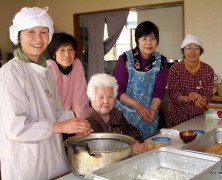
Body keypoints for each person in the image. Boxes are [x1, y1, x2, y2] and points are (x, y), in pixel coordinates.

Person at [0, 7, 92, 180]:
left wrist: (77, 121)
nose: (38, 38)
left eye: (43, 32)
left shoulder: (46, 71)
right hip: (26, 162)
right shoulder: (10, 73)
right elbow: (17, 128)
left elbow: (56, 111)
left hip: (52, 157)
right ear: (18, 36)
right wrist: (62, 127)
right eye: (31, 32)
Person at [113, 21, 168, 139]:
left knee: (147, 147)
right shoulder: (126, 59)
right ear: (137, 40)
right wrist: (137, 106)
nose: (148, 42)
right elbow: (117, 90)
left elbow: (159, 90)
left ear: (157, 41)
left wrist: (153, 109)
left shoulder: (161, 61)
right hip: (125, 114)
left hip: (149, 114)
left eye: (153, 38)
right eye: (144, 38)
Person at [85, 73, 147, 155]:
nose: (106, 101)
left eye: (110, 97)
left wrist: (134, 141)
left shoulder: (116, 114)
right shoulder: (87, 120)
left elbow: (131, 130)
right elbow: (100, 147)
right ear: (91, 99)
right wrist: (128, 149)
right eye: (101, 97)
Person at [167, 34, 214, 126]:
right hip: (178, 115)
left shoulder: (208, 70)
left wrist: (202, 100)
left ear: (200, 52)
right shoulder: (175, 69)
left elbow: (208, 93)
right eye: (188, 48)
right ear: (183, 51)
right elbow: (173, 93)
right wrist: (187, 98)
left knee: (198, 138)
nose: (192, 52)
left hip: (198, 115)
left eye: (196, 48)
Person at [47, 32, 89, 117]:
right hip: (51, 118)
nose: (67, 54)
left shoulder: (77, 65)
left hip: (70, 117)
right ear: (53, 54)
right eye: (62, 50)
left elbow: (80, 96)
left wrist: (81, 120)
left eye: (70, 50)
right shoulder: (50, 66)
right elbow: (49, 102)